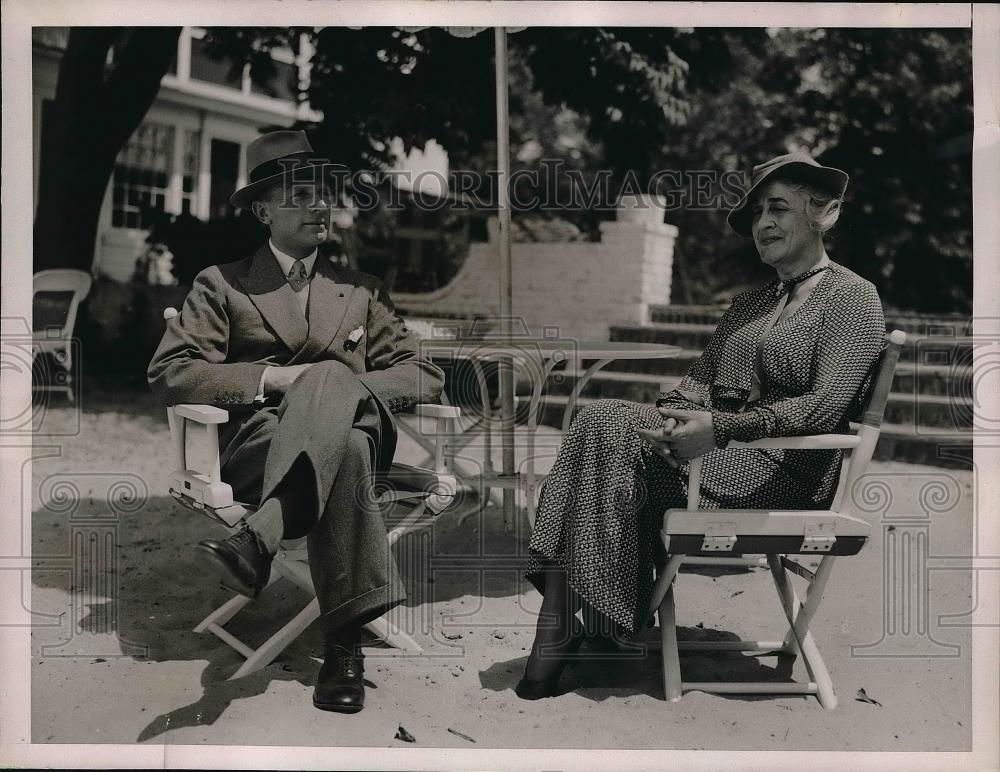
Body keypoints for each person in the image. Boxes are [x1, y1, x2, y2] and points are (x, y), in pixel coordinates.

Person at [517, 151, 886, 699]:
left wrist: (718, 429)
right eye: (759, 212)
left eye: (778, 209)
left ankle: (569, 620)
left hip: (784, 473)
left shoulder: (852, 297)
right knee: (603, 420)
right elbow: (697, 381)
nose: (763, 224)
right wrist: (674, 419)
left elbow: (824, 407)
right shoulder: (750, 303)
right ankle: (577, 610)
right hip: (712, 459)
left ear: (823, 214)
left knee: (610, 430)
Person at [147, 130, 444, 713]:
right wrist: (269, 379)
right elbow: (171, 369)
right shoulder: (223, 283)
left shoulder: (360, 290)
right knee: (351, 449)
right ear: (262, 210)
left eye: (323, 195)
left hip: (339, 444)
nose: (318, 206)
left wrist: (334, 385)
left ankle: (258, 540)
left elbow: (422, 374)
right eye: (299, 195)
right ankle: (343, 650)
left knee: (339, 404)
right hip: (260, 445)